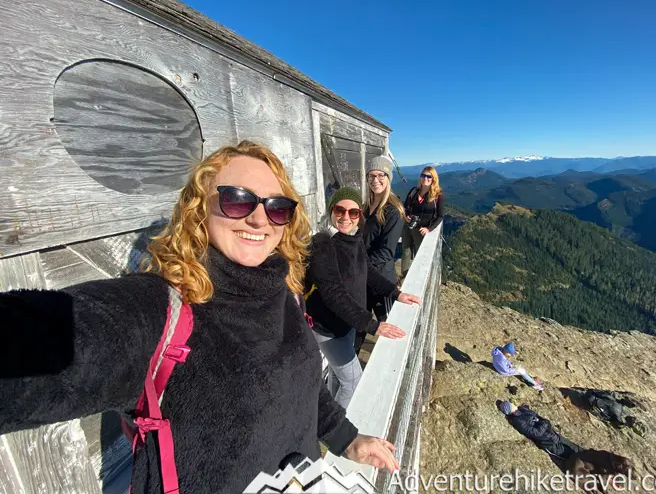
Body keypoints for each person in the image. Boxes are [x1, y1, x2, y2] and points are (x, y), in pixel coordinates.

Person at [0, 142, 400, 494]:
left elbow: (305, 385)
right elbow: (48, 338)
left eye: (277, 207)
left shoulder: (286, 293)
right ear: (198, 208)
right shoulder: (157, 311)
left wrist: (346, 439)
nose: (259, 219)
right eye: (237, 199)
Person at [305, 186, 421, 408]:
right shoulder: (322, 244)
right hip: (328, 328)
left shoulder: (355, 238)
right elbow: (333, 293)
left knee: (340, 378)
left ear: (359, 216)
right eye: (340, 210)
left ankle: (332, 416)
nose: (345, 217)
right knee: (353, 381)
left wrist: (396, 294)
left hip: (348, 324)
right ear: (331, 211)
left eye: (353, 212)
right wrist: (373, 326)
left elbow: (368, 271)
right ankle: (336, 435)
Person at [356, 155, 406, 352]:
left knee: (388, 323)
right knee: (361, 321)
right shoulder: (367, 206)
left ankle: (391, 362)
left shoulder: (393, 211)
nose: (375, 180)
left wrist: (358, 263)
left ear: (388, 177)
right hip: (364, 277)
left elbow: (386, 252)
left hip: (381, 279)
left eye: (381, 175)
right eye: (371, 176)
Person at [497, 401, 583, 460]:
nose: (512, 403)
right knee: (571, 456)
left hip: (553, 434)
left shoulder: (522, 409)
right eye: (510, 404)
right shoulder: (518, 421)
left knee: (578, 449)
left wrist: (542, 421)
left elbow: (536, 416)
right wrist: (544, 423)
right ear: (509, 408)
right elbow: (536, 433)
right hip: (549, 442)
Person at [401, 166, 445, 277]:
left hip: (421, 230)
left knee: (420, 255)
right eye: (423, 175)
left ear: (433, 178)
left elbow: (440, 216)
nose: (425, 178)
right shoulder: (414, 191)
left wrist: (428, 229)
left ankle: (419, 276)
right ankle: (404, 277)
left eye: (428, 176)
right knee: (406, 251)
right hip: (408, 226)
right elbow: (405, 207)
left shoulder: (438, 196)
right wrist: (406, 216)